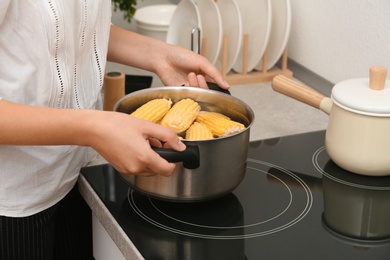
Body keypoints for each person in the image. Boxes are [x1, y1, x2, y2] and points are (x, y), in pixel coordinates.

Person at [0, 1, 229, 259]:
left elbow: (75, 30)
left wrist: (158, 55)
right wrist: (93, 128)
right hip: (10, 206)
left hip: (74, 176)